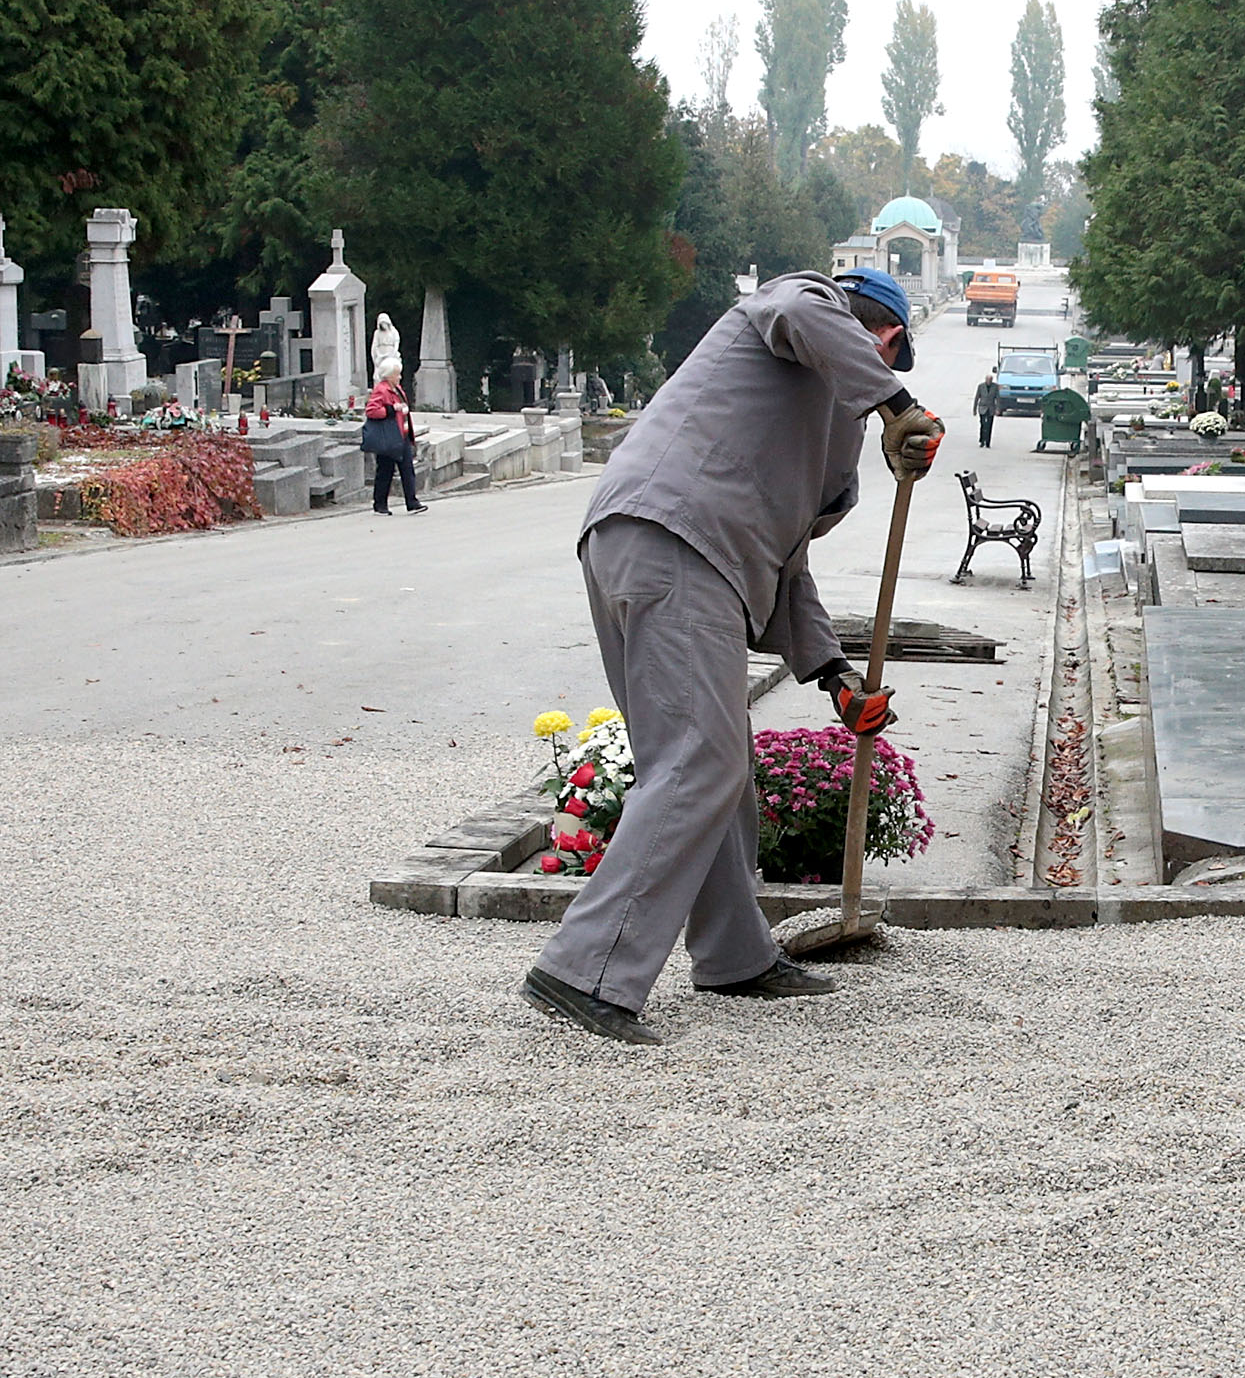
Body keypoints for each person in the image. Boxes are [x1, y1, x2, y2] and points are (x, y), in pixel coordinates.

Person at [518, 267, 945, 1045]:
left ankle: (734, 955)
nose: (883, 371)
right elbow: (794, 310)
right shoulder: (804, 302)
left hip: (658, 545)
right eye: (889, 354)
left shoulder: (824, 433)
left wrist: (833, 675)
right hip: (678, 541)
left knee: (709, 768)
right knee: (700, 761)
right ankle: (584, 969)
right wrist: (898, 406)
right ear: (882, 333)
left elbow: (786, 563)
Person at [363, 359, 425, 515]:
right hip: (389, 437)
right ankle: (380, 504)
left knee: (407, 468)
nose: (399, 377)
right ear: (389, 376)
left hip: (401, 434)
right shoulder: (381, 390)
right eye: (397, 374)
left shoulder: (396, 389)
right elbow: (371, 411)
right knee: (385, 470)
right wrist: (391, 409)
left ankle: (412, 502)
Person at [973, 365, 1002, 448]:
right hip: (982, 407)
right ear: (985, 380)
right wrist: (974, 409)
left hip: (991, 408)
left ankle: (988, 442)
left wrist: (998, 409)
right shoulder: (981, 386)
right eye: (987, 380)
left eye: (990, 380)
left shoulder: (995, 387)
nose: (989, 381)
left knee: (989, 425)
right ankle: (982, 440)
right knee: (982, 424)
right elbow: (977, 397)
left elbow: (998, 398)